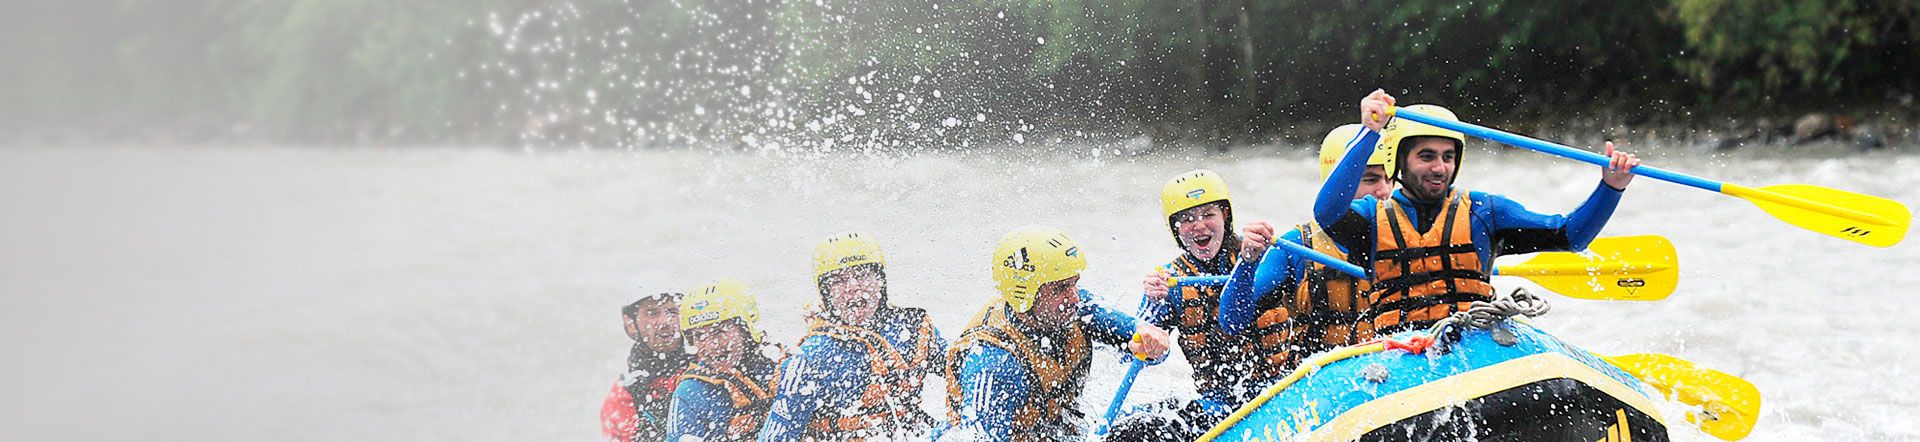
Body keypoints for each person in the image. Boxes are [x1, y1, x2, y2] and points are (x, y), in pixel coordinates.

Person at [1309, 90, 1640, 334]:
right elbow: (1326, 212)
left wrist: (1611, 187)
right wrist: (1370, 132)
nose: (1439, 167)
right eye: (1426, 156)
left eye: (1448, 156)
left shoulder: (1485, 212)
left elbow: (1571, 236)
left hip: (1474, 345)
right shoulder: (1370, 218)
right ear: (1399, 160)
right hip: (1403, 357)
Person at [939, 225, 1173, 442]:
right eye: (1061, 288)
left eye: (1074, 283)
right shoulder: (992, 363)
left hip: (1059, 433)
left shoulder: (1077, 310)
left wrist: (1153, 340)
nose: (1075, 297)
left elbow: (1141, 339)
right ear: (1025, 294)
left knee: (1158, 423)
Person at [1216, 124, 1396, 386]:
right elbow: (1232, 321)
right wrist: (1247, 263)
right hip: (1322, 384)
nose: (1384, 190)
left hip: (1395, 372)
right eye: (1370, 179)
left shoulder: (1411, 235)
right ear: (1339, 180)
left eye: (1390, 179)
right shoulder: (1297, 246)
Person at [1107, 170, 1256, 441]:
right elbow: (1138, 355)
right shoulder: (1169, 283)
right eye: (1187, 219)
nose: (1199, 226)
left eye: (1208, 214)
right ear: (1175, 229)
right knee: (1130, 428)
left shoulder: (1262, 258)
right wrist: (1153, 307)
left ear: (1225, 215)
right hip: (1218, 406)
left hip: (1281, 388)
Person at [758, 232, 947, 441]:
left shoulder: (912, 328)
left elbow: (961, 374)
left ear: (880, 281)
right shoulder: (811, 357)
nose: (853, 287)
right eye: (839, 281)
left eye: (863, 274)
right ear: (826, 294)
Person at [667, 280, 784, 442]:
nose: (710, 345)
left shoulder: (785, 367)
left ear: (745, 330)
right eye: (700, 336)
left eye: (719, 331)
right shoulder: (690, 393)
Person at [602, 291, 692, 442]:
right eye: (652, 313)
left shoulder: (710, 368)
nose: (665, 322)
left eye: (672, 311)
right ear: (630, 324)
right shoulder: (622, 396)